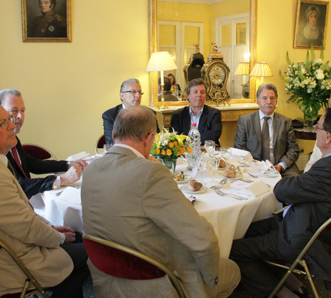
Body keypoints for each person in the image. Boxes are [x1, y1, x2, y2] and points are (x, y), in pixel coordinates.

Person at [82, 106, 240, 297]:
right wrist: (209, 276)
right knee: (231, 270)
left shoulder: (91, 169)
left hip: (105, 280)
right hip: (153, 285)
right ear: (150, 138)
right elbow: (203, 240)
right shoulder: (150, 172)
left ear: (114, 133)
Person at [0, 97, 90, 297]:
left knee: (79, 237)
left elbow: (19, 217)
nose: (12, 125)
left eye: (9, 119)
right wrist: (59, 237)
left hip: (9, 246)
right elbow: (27, 229)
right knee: (93, 253)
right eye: (3, 123)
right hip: (13, 263)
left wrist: (51, 228)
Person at [230, 108, 331, 297]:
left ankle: (279, 292)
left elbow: (282, 191)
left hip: (298, 235)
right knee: (243, 230)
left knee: (233, 250)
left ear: (328, 137)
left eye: (319, 127)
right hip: (305, 222)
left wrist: (291, 182)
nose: (316, 130)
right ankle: (288, 279)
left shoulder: (328, 168)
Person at [0, 89, 87, 197]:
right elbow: (16, 184)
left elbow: (31, 164)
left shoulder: (9, 138)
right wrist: (62, 179)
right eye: (13, 111)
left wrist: (67, 164)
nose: (19, 117)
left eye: (23, 110)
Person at [234, 83, 301, 178]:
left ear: (276, 100)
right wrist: (255, 166)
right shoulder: (245, 121)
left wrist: (281, 165)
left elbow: (293, 149)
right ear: (258, 101)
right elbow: (239, 148)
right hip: (253, 167)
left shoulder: (285, 122)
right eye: (264, 98)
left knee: (296, 183)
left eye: (272, 98)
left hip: (281, 167)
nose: (269, 101)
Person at [102, 78, 159, 145]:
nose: (138, 95)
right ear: (122, 95)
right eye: (133, 92)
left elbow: (157, 139)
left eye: (140, 92)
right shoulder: (110, 115)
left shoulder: (150, 113)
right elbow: (112, 143)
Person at [170, 78, 222, 145]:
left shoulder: (214, 114)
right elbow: (175, 138)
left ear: (205, 96)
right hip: (185, 153)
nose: (199, 95)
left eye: (202, 92)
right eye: (195, 92)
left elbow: (214, 135)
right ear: (187, 95)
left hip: (208, 153)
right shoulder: (177, 115)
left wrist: (188, 141)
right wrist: (198, 147)